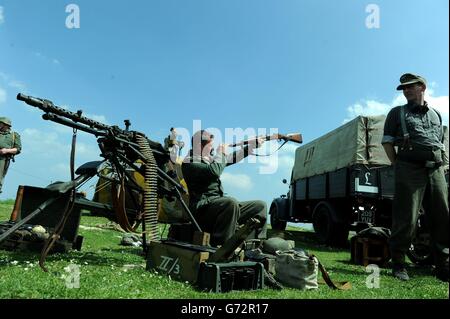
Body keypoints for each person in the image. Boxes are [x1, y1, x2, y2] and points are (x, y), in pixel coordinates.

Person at [382, 73, 449, 282]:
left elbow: (441, 142)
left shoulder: (436, 114)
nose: (406, 91)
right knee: (406, 217)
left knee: (442, 217)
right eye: (403, 88)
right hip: (409, 169)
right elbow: (387, 143)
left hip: (436, 170)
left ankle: (443, 265)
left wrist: (444, 165)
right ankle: (399, 263)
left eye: (410, 87)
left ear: (422, 87)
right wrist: (398, 165)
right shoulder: (397, 113)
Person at [181, 130, 267, 247]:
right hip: (202, 210)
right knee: (230, 203)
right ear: (199, 146)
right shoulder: (189, 161)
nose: (212, 148)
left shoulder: (208, 159)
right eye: (210, 145)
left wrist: (250, 147)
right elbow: (214, 171)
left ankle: (256, 246)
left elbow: (231, 158)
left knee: (260, 206)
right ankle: (221, 248)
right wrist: (221, 153)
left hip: (219, 207)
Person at [0, 117, 22, 194]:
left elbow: (18, 149)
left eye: (1, 123)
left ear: (5, 125)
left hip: (2, 160)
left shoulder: (13, 135)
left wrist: (6, 150)